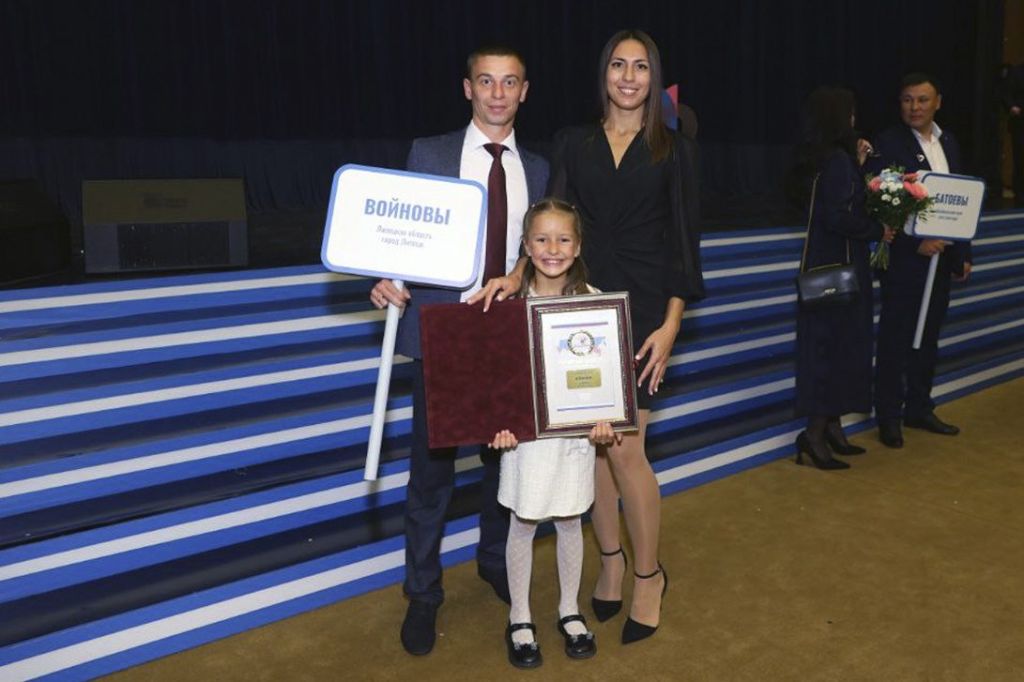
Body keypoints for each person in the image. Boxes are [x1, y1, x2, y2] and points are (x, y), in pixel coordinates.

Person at [370, 45, 549, 656]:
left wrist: (521, 272)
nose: (498, 93)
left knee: (504, 463)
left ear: (525, 91)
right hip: (441, 334)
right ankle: (422, 593)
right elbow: (397, 234)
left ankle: (493, 560)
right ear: (467, 88)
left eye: (509, 82)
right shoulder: (430, 154)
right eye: (486, 81)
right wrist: (383, 275)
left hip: (506, 337)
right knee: (431, 475)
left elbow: (542, 247)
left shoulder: (540, 169)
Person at [548, 29, 705, 644]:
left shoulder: (676, 150)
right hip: (581, 313)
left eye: (641, 67)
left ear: (653, 77)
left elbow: (684, 243)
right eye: (619, 64)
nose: (629, 77)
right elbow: (552, 226)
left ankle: (648, 575)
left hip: (643, 313)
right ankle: (609, 563)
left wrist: (672, 324)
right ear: (604, 73)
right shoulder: (573, 142)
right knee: (595, 448)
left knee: (627, 450)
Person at [489, 198, 618, 668]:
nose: (553, 248)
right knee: (522, 524)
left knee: (569, 521)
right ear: (526, 245)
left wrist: (604, 419)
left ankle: (568, 609)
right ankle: (519, 616)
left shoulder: (595, 302)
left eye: (564, 239)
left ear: (578, 245)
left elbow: (604, 377)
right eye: (541, 239)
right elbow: (494, 377)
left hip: (572, 442)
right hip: (524, 441)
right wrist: (498, 424)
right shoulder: (509, 305)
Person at [787, 88, 893, 470]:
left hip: (831, 264)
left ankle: (831, 428)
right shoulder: (836, 161)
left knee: (837, 349)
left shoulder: (825, 158)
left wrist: (859, 166)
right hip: (839, 271)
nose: (854, 120)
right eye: (849, 113)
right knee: (833, 351)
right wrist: (877, 230)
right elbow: (836, 216)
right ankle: (814, 435)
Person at [869, 73, 972, 449]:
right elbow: (882, 203)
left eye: (922, 100)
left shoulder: (949, 143)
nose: (915, 107)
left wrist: (962, 253)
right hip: (905, 261)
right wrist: (915, 243)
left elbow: (959, 201)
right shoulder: (888, 143)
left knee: (928, 338)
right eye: (907, 100)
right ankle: (889, 416)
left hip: (941, 260)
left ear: (938, 102)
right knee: (896, 339)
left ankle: (918, 407)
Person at [1001, 62, 1024, 208]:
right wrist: (1012, 107)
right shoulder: (1016, 71)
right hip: (1020, 123)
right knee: (1020, 161)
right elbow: (1006, 93)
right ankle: (1020, 195)